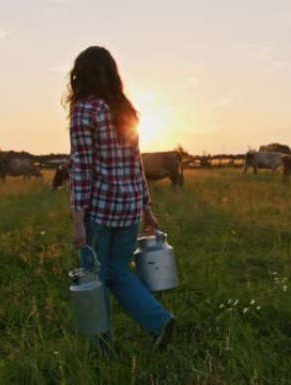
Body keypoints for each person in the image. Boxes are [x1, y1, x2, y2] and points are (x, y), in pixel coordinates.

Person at [65, 46, 174, 350]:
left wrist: (77, 220)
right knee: (114, 272)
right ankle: (158, 322)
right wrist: (146, 207)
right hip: (129, 211)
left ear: (80, 75)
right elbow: (135, 163)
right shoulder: (125, 112)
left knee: (95, 278)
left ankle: (104, 347)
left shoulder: (84, 111)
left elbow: (82, 168)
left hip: (99, 212)